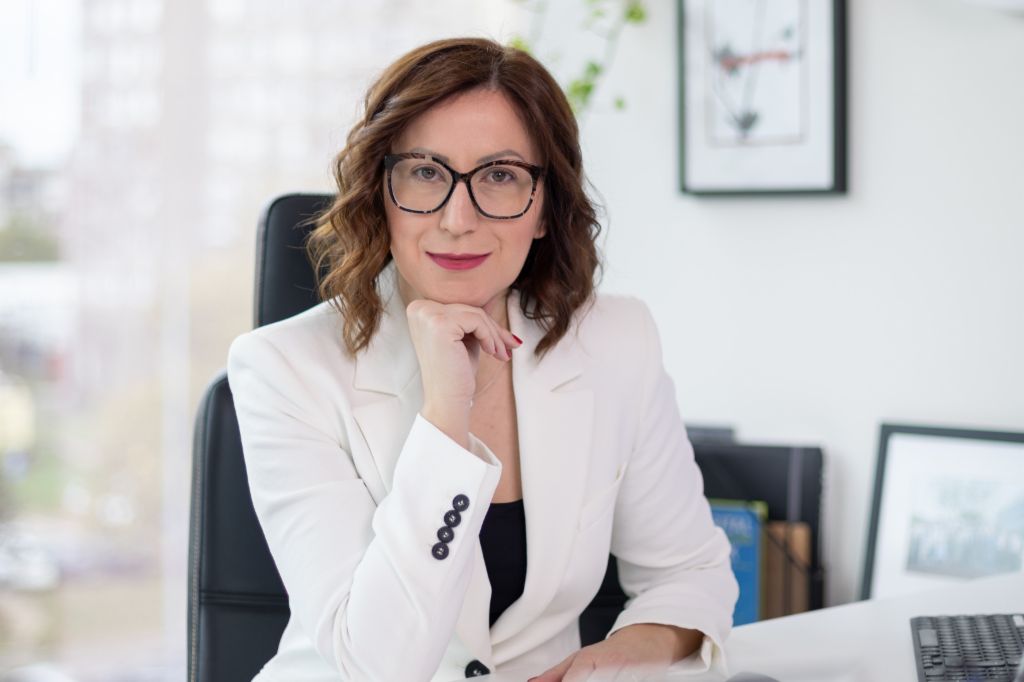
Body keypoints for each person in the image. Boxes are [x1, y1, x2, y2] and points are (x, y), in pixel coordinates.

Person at [228, 37, 738, 682]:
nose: (458, 218)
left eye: (500, 175)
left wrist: (607, 662)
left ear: (546, 207)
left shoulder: (616, 340)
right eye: (425, 172)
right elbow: (374, 664)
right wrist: (447, 415)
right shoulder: (282, 368)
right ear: (379, 193)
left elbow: (689, 573)